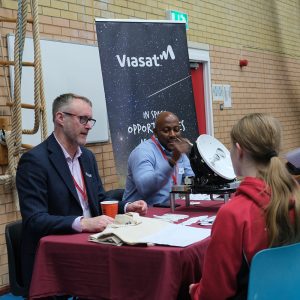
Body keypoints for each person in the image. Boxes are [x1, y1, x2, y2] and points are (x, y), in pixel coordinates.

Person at [16, 93, 147, 290]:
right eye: (82, 119)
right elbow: (35, 219)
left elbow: (99, 200)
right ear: (60, 118)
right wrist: (83, 223)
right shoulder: (35, 161)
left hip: (92, 246)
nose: (88, 126)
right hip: (57, 258)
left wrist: (128, 205)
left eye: (90, 120)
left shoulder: (87, 157)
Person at [189, 113, 300, 300]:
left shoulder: (233, 214)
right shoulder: (295, 194)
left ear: (239, 150)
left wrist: (194, 291)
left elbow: (214, 294)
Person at [122, 111, 194, 206]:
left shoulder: (179, 152)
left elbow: (189, 180)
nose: (173, 134)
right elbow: (145, 188)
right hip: (142, 214)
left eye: (176, 129)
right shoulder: (142, 152)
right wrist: (172, 162)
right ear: (155, 132)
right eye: (166, 130)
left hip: (171, 210)